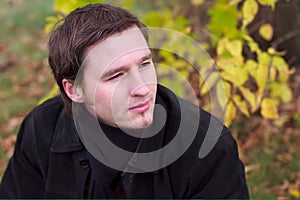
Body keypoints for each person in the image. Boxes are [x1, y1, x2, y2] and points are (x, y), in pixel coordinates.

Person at [0, 3, 249, 199]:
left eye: (144, 64)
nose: (141, 88)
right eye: (116, 75)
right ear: (74, 90)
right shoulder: (42, 128)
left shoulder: (207, 148)